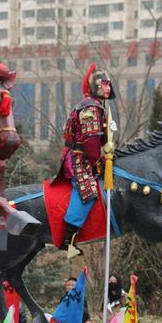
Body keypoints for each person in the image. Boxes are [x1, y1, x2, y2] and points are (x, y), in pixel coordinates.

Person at [53, 63, 117, 256]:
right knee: (87, 192)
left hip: (85, 157)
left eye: (109, 84)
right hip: (80, 159)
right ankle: (68, 241)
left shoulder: (95, 106)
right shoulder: (90, 107)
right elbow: (90, 142)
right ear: (96, 85)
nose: (108, 88)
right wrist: (99, 162)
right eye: (105, 84)